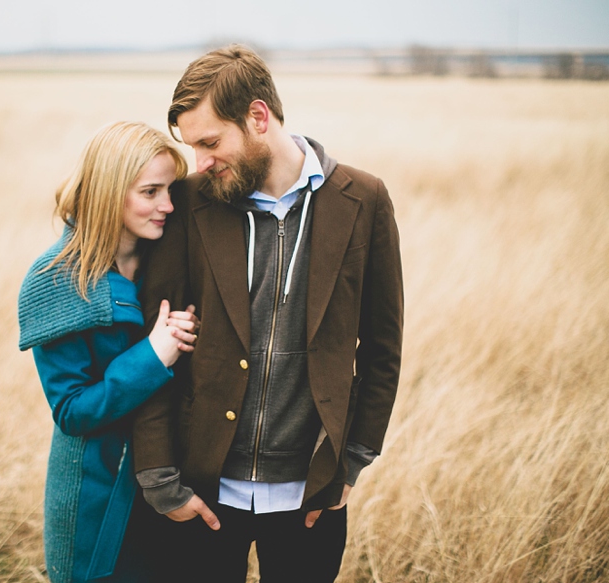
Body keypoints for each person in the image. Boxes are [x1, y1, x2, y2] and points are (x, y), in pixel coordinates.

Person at [132, 45, 404, 582]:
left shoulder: (364, 199)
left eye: (210, 142)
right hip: (202, 493)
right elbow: (153, 338)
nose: (201, 163)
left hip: (311, 497)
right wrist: (160, 477)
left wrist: (353, 460)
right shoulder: (189, 201)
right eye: (193, 148)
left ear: (258, 117)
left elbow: (382, 347)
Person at [17, 121, 200, 583]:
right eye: (150, 192)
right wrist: (153, 357)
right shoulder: (56, 279)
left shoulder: (168, 258)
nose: (168, 205)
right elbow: (73, 410)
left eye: (170, 190)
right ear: (108, 192)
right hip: (100, 495)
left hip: (176, 478)